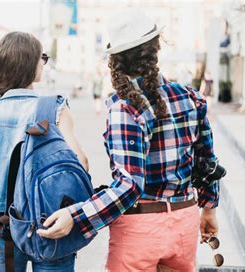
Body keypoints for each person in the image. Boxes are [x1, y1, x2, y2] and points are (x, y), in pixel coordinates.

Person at [38, 11, 220, 271]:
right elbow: (208, 163)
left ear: (116, 61)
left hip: (140, 230)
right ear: (155, 50)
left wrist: (75, 216)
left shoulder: (126, 109)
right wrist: (209, 209)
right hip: (184, 223)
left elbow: (129, 186)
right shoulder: (190, 97)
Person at [0, 32, 89, 271]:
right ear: (31, 65)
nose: (43, 62)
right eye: (42, 57)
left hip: (4, 229)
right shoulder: (54, 109)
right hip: (50, 222)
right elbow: (81, 163)